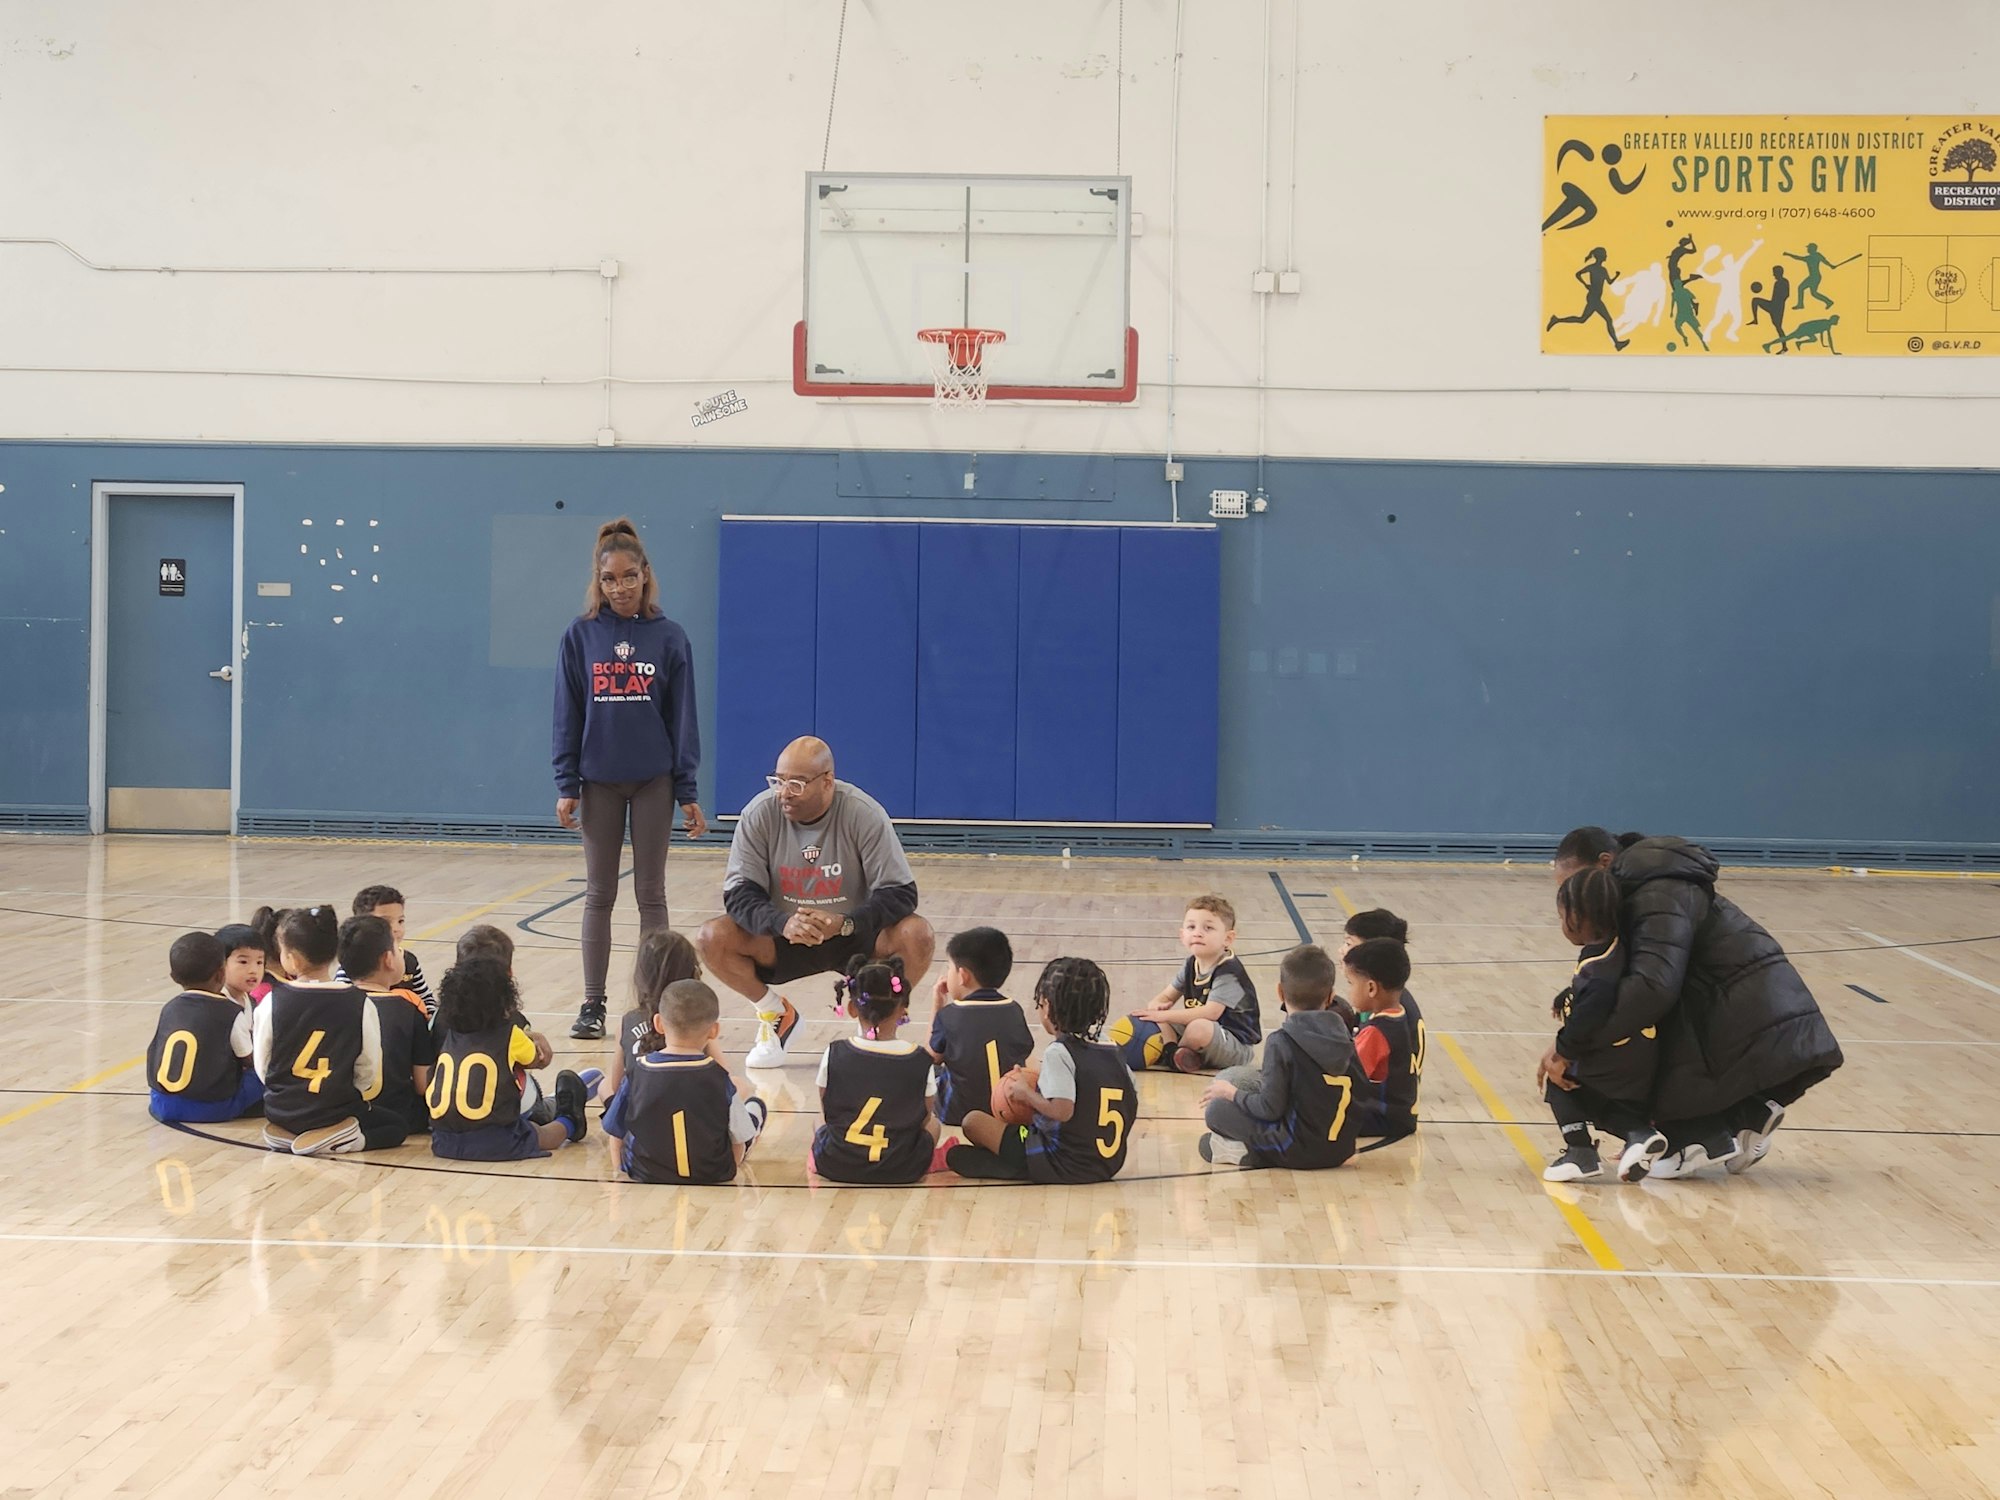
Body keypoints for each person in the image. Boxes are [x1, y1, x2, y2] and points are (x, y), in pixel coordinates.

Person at [1548, 827, 1843, 1177]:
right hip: (1739, 999)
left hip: (1746, 1008)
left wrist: (1571, 1046)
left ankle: (1699, 1139)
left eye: (1573, 885)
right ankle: (1747, 1119)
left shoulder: (1657, 892)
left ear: (1605, 863)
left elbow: (1651, 988)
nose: (1571, 899)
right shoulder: (1642, 884)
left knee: (1639, 1042)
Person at [552, 517, 708, 1041]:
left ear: (646, 575)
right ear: (598, 580)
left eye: (629, 577)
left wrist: (686, 789)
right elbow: (567, 712)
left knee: (651, 894)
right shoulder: (580, 636)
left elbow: (682, 718)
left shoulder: (669, 637)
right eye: (609, 579)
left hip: (652, 782)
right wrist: (566, 782)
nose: (619, 587)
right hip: (598, 782)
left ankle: (652, 1005)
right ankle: (592, 1004)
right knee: (599, 894)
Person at [700, 736, 935, 1068]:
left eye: (796, 784)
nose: (783, 792)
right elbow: (738, 896)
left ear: (827, 782)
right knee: (713, 937)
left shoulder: (862, 812)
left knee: (917, 934)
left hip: (852, 936)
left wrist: (847, 922)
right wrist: (783, 923)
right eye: (778, 781)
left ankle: (876, 1025)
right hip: (783, 937)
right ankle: (776, 1015)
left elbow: (901, 893)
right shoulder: (759, 813)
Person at [945, 958, 1137, 1184]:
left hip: (1060, 1160)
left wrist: (1026, 1094)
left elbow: (1062, 1111)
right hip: (1107, 1164)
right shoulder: (1114, 1050)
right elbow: (1131, 1102)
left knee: (973, 1122)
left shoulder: (1059, 1052)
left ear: (1046, 1007)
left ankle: (1020, 1168)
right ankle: (1019, 1163)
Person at [1537, 868, 1669, 1183]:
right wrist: (1568, 994)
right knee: (1594, 1099)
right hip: (1639, 1048)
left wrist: (1562, 1053)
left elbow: (1591, 1012)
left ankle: (1580, 1152)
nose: (1561, 925)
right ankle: (1639, 1135)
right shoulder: (1617, 947)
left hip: (1615, 1055)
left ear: (1578, 917)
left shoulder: (1596, 967)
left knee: (1559, 1081)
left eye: (1561, 916)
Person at [253, 905, 408, 1155]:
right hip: (335, 1109)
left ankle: (288, 1132)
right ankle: (342, 1138)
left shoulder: (272, 1000)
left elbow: (263, 1063)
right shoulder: (358, 1002)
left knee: (293, 1113)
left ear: (291, 959)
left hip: (281, 1108)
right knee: (395, 1125)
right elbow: (368, 1065)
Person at [1198, 943, 1364, 1169]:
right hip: (1341, 1149)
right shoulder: (1344, 1034)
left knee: (1217, 1110)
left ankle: (1247, 1153)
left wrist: (1232, 1093)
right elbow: (1363, 1093)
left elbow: (1269, 1108)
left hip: (1296, 1148)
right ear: (1331, 997)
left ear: (1280, 992)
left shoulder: (1281, 1041)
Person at [604, 978, 769, 1184]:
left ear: (658, 1024)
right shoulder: (719, 1077)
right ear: (714, 1031)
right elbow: (738, 1138)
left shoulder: (637, 1072)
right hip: (712, 1172)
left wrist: (619, 1169)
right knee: (752, 1110)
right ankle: (755, 1110)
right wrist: (729, 1170)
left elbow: (615, 1130)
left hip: (643, 1172)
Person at [429, 956, 590, 1161]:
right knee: (539, 1133)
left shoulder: (449, 1037)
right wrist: (532, 1039)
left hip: (443, 1141)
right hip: (496, 1142)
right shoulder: (510, 1035)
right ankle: (569, 1120)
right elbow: (538, 1060)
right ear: (505, 1001)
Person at [810, 956, 939, 1184]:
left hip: (836, 1164)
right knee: (935, 1125)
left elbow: (828, 1110)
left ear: (852, 1008)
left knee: (818, 1120)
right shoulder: (920, 1059)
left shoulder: (835, 1052)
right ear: (903, 1010)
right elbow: (924, 1118)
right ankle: (930, 1163)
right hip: (903, 1168)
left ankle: (817, 1160)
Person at [1108, 895, 1261, 1073]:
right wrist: (1156, 1006)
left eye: (1208, 928)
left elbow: (1210, 1013)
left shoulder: (1229, 972)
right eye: (1191, 927)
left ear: (1228, 938)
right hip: (1204, 1033)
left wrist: (1165, 1016)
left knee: (1197, 1027)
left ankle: (1170, 1055)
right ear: (1182, 935)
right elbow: (1166, 996)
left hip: (1235, 1044)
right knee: (1155, 1017)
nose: (1197, 933)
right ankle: (1177, 1054)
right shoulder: (1191, 964)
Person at [146, 932, 265, 1124]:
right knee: (264, 1073)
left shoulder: (170, 1007)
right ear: (221, 973)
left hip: (161, 1103)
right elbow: (252, 1061)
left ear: (173, 977)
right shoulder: (230, 1012)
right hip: (211, 1109)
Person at [340, 914, 437, 1138]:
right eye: (398, 949)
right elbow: (423, 1084)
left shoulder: (333, 1005)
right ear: (388, 959)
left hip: (341, 1112)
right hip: (398, 1114)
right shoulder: (407, 1009)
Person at [928, 925, 1034, 1128]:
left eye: (949, 968)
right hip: (1007, 1107)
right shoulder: (1014, 1010)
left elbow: (931, 1058)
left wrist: (937, 1004)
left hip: (958, 1112)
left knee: (923, 1067)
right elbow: (1024, 1052)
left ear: (963, 975)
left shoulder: (949, 1015)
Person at [604, 929, 702, 1108]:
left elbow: (615, 1086)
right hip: (689, 1115)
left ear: (640, 977)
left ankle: (618, 1123)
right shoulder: (696, 1020)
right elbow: (723, 1075)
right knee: (739, 1086)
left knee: (605, 1086)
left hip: (642, 1120)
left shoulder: (626, 1022)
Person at [1344, 937, 1424, 1141]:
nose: (1348, 991)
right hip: (1398, 1115)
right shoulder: (1399, 1014)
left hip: (1383, 1117)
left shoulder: (1376, 1032)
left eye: (1350, 983)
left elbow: (1347, 1077)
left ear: (1371, 988)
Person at [347, 884, 434, 1015]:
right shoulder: (353, 962)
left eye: (400, 921)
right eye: (385, 922)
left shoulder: (409, 961)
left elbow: (426, 998)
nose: (396, 928)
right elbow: (342, 1002)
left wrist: (427, 1016)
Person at [213, 923, 268, 1007]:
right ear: (221, 963)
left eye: (259, 962)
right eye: (243, 962)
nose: (253, 970)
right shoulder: (215, 1004)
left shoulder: (252, 1002)